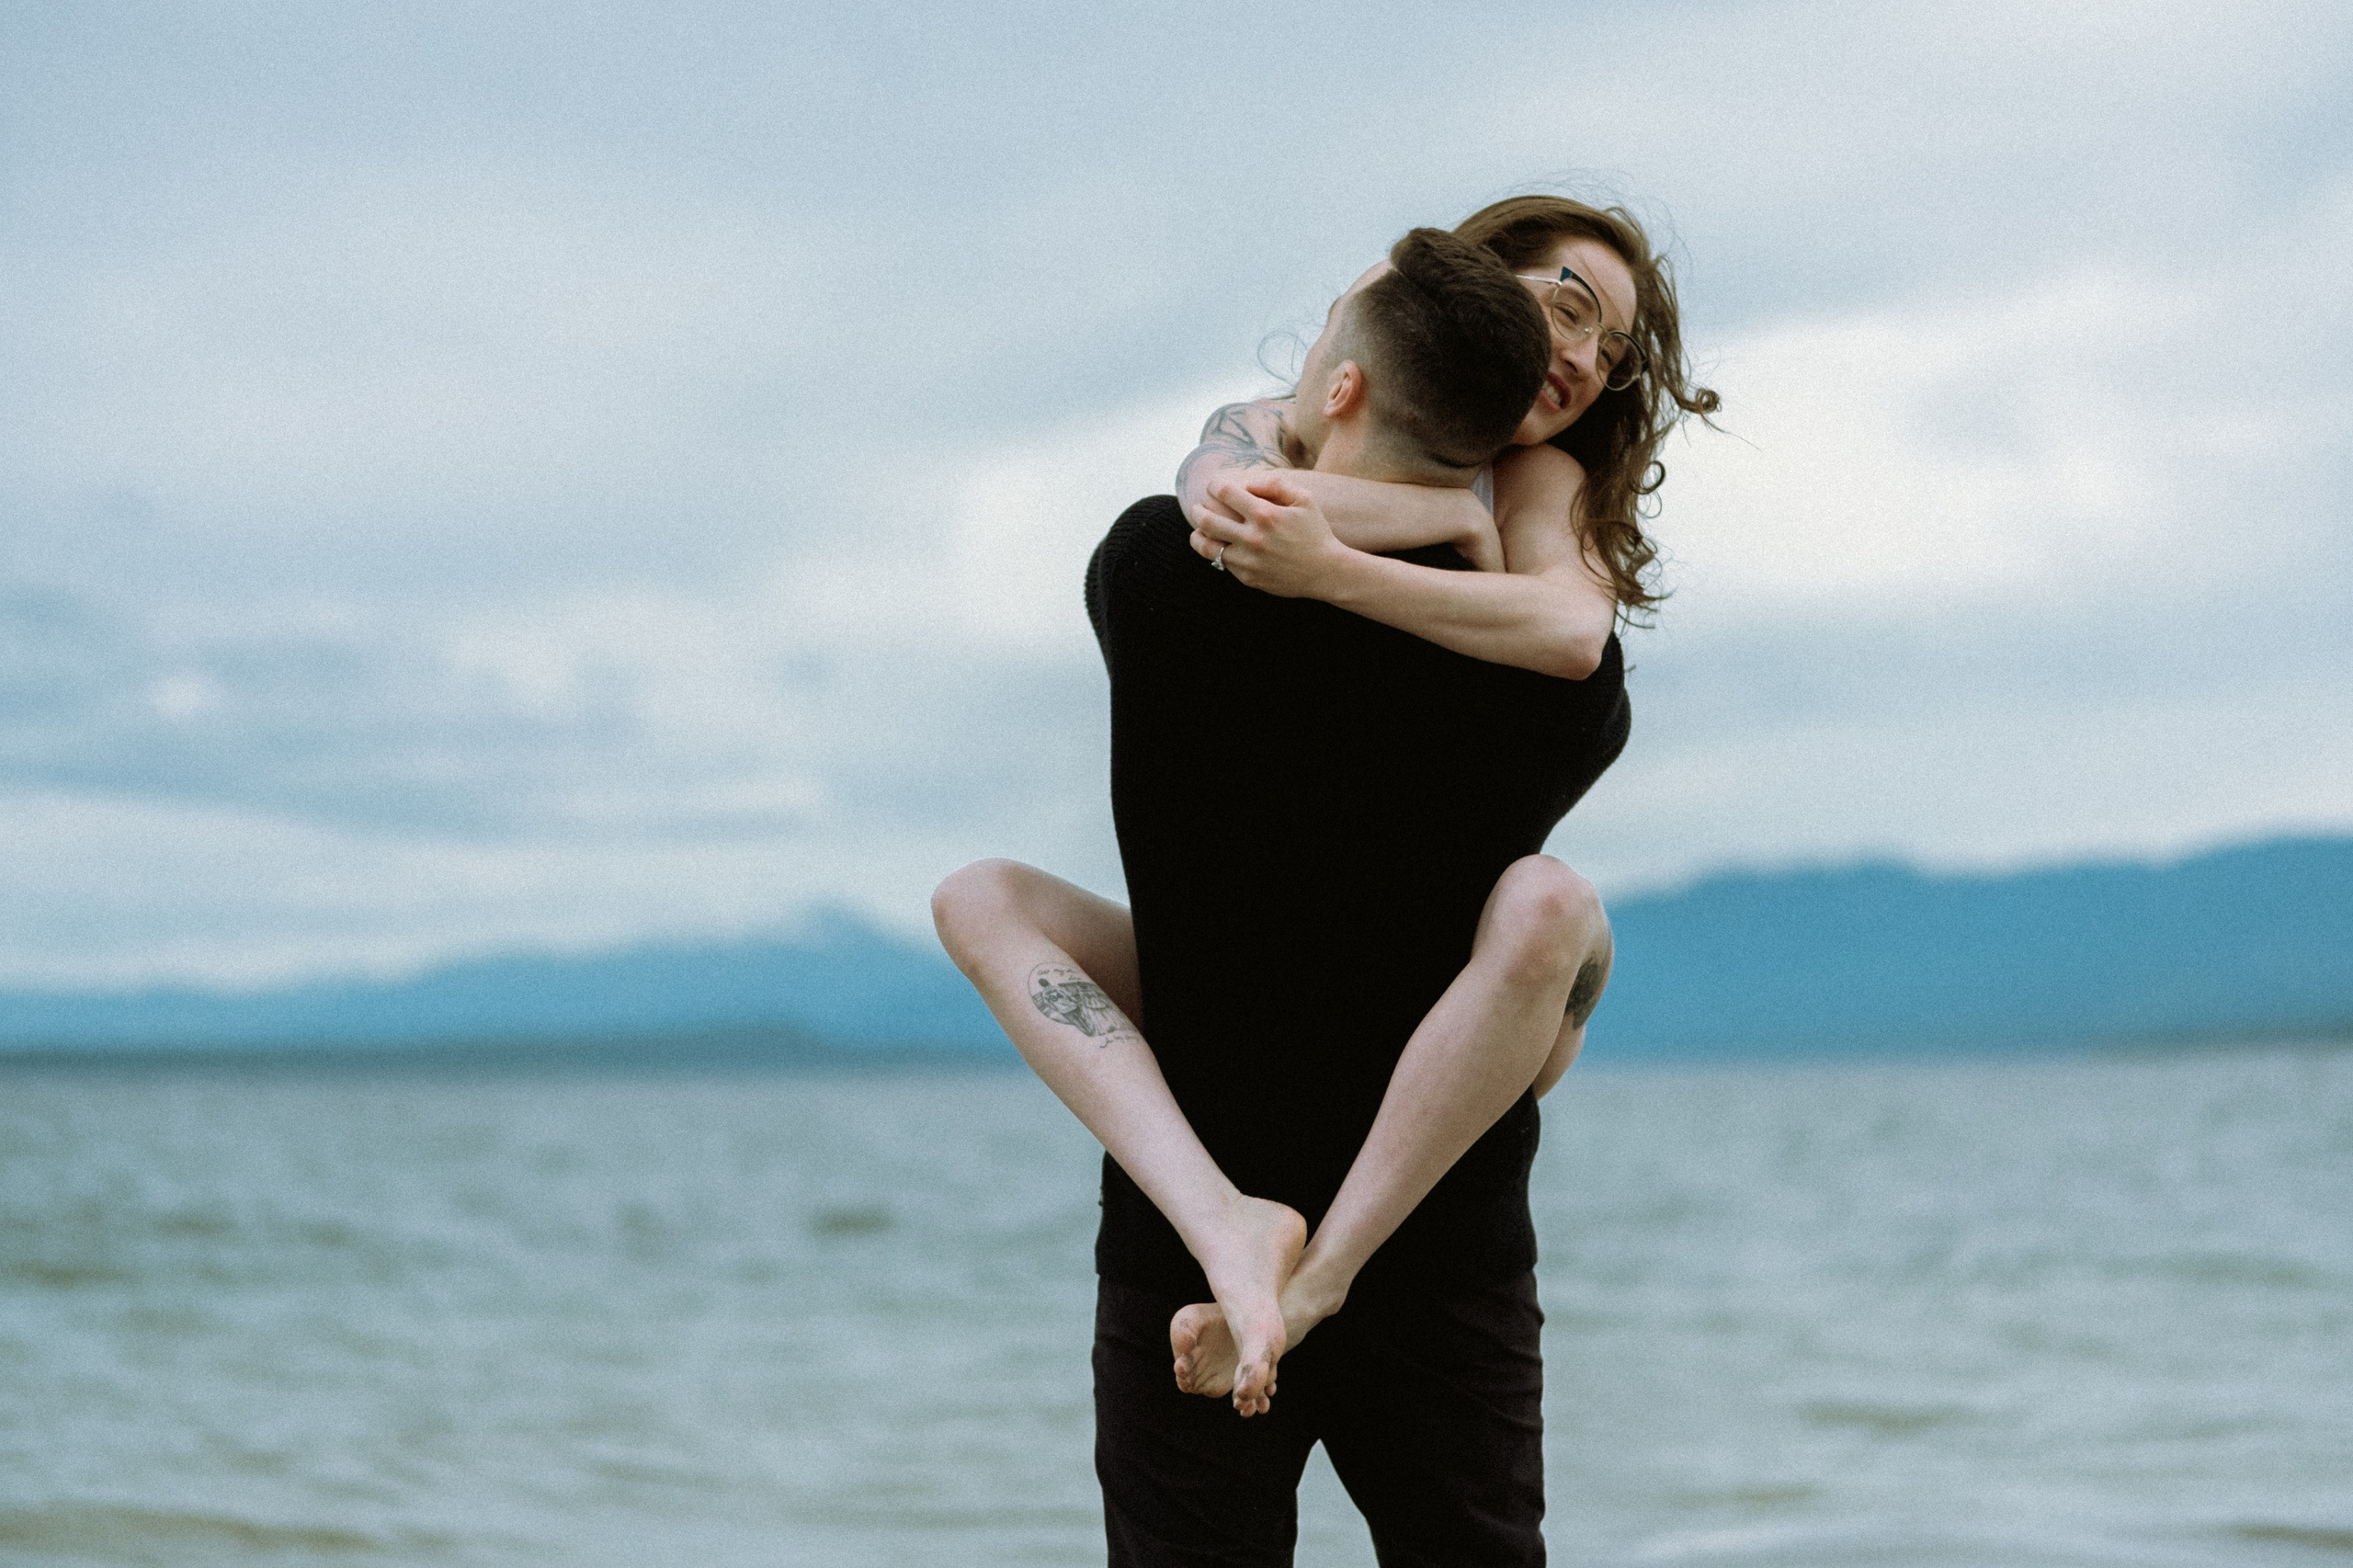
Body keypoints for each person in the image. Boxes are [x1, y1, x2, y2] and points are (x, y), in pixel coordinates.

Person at [935, 198, 1715, 1563]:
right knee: (1554, 914)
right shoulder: (1544, 667)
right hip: (1437, 1218)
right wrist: (1431, 524)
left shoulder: (1157, 580)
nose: (1588, 357)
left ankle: (1260, 1242)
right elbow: (1244, 487)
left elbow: (1551, 616)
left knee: (1547, 917)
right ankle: (1270, 1243)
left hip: (1268, 1223)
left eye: (1615, 345)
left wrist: (1337, 560)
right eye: (1569, 306)